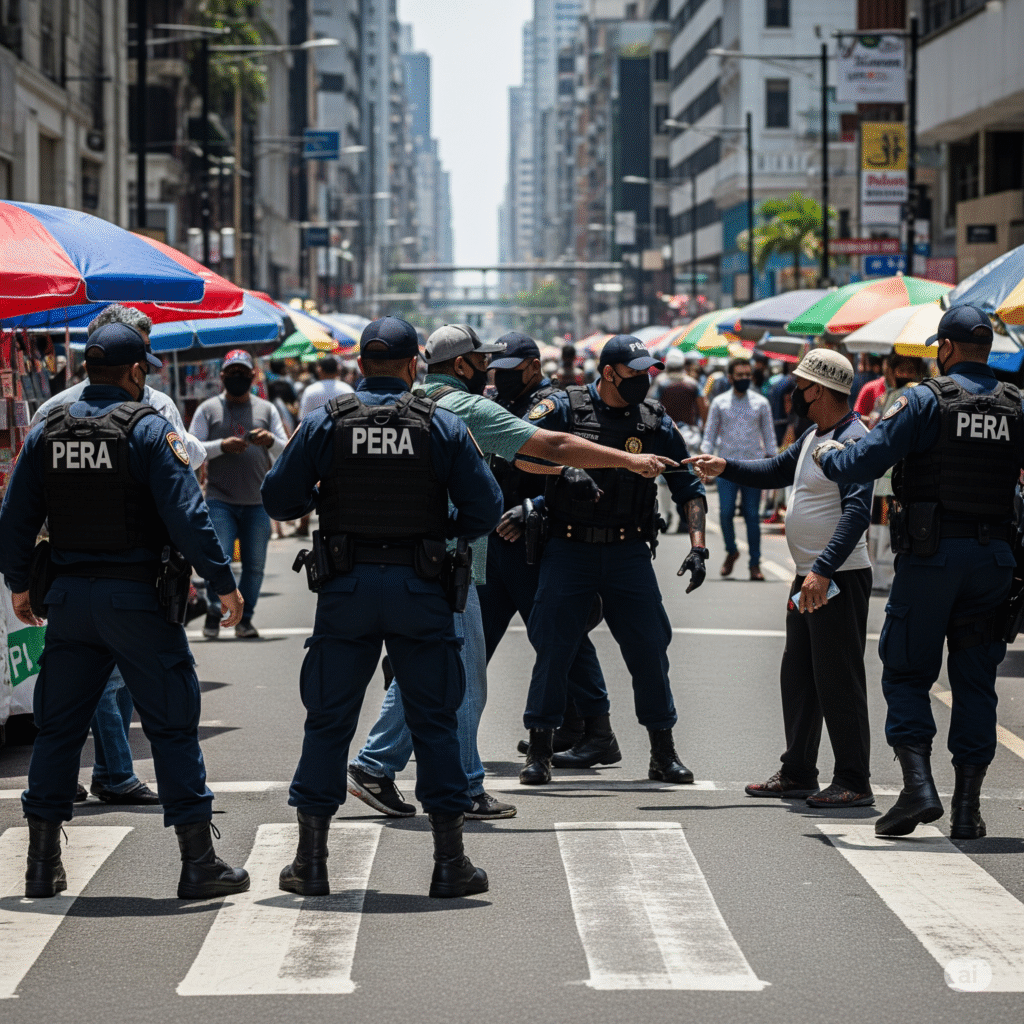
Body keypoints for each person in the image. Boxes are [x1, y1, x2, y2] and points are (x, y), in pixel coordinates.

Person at [347, 324, 674, 820]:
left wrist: (564, 471)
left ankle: (375, 765)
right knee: (464, 680)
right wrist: (626, 462)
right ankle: (462, 788)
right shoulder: (468, 409)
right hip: (449, 564)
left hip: (386, 564)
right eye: (483, 363)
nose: (490, 374)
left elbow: (534, 458)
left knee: (424, 673)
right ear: (461, 367)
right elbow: (553, 446)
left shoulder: (405, 407)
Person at [0, 323, 248, 899]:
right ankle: (198, 862)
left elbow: (14, 517)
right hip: (138, 598)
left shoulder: (47, 431)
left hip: (68, 600)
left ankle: (41, 865)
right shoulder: (149, 430)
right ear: (137, 372)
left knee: (58, 729)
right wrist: (223, 584)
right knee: (171, 723)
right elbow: (191, 518)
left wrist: (18, 584)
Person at [261, 316, 502, 899]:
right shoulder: (440, 424)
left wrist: (327, 494)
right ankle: (450, 865)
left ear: (360, 365)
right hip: (421, 587)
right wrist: (440, 529)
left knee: (328, 719)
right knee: (435, 720)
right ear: (414, 365)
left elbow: (277, 498)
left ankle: (311, 863)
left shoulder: (325, 422)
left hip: (345, 588)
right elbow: (486, 507)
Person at [814, 305, 1024, 840]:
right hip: (996, 559)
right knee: (976, 682)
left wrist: (830, 458)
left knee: (907, 671)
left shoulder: (925, 399)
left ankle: (917, 787)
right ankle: (968, 810)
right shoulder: (1017, 404)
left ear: (946, 348)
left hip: (933, 559)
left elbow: (865, 459)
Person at [30, 304, 205, 807]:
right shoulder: (154, 412)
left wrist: (24, 577)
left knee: (63, 717)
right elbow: (186, 495)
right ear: (132, 360)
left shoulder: (51, 413)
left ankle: (43, 855)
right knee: (166, 713)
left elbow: (21, 508)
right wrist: (220, 578)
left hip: (67, 578)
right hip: (140, 582)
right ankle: (193, 851)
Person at [687, 349, 875, 808]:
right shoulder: (815, 434)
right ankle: (798, 771)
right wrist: (725, 466)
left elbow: (857, 512)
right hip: (808, 577)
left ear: (822, 390)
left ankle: (853, 779)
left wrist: (823, 568)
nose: (794, 392)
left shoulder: (853, 439)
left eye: (801, 385)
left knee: (839, 680)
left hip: (836, 577)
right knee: (800, 676)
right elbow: (776, 469)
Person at [519, 335, 706, 787]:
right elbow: (520, 454)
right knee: (554, 648)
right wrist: (563, 469)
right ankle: (540, 751)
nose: (644, 380)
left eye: (648, 372)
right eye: (634, 372)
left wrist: (698, 546)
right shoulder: (564, 407)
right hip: (570, 547)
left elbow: (689, 487)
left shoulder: (654, 419)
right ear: (607, 372)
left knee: (649, 650)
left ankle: (663, 752)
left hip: (628, 550)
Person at [479, 332, 608, 756]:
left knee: (558, 636)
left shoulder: (553, 405)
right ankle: (570, 728)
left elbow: (577, 469)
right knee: (475, 636)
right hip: (495, 539)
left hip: (536, 538)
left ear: (533, 367)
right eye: (494, 369)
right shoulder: (500, 403)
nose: (498, 377)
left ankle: (598, 731)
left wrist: (532, 506)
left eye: (509, 370)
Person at [189, 350, 288, 639]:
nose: (238, 378)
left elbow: (285, 449)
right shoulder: (208, 409)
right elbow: (190, 448)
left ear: (253, 375)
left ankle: (245, 619)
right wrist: (222, 445)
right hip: (220, 500)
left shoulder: (266, 409)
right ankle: (213, 609)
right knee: (219, 559)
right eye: (232, 373)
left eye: (243, 373)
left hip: (258, 501)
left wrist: (270, 441)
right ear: (221, 376)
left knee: (254, 567)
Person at [702, 357, 778, 580]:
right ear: (730, 377)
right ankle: (731, 550)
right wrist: (703, 462)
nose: (744, 378)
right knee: (725, 513)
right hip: (725, 467)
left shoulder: (761, 403)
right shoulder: (719, 403)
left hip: (753, 467)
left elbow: (770, 437)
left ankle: (755, 564)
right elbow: (710, 435)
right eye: (740, 375)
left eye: (747, 375)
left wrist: (774, 464)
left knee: (752, 516)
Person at [651, 347, 708, 532]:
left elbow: (651, 406)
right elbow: (703, 407)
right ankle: (685, 518)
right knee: (687, 476)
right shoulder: (692, 384)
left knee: (664, 477)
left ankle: (666, 515)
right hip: (689, 435)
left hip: (665, 434)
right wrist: (703, 428)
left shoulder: (660, 383)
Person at [298, 355, 354, 419]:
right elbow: (355, 416)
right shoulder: (347, 389)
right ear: (338, 370)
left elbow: (303, 418)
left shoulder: (310, 390)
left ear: (319, 370)